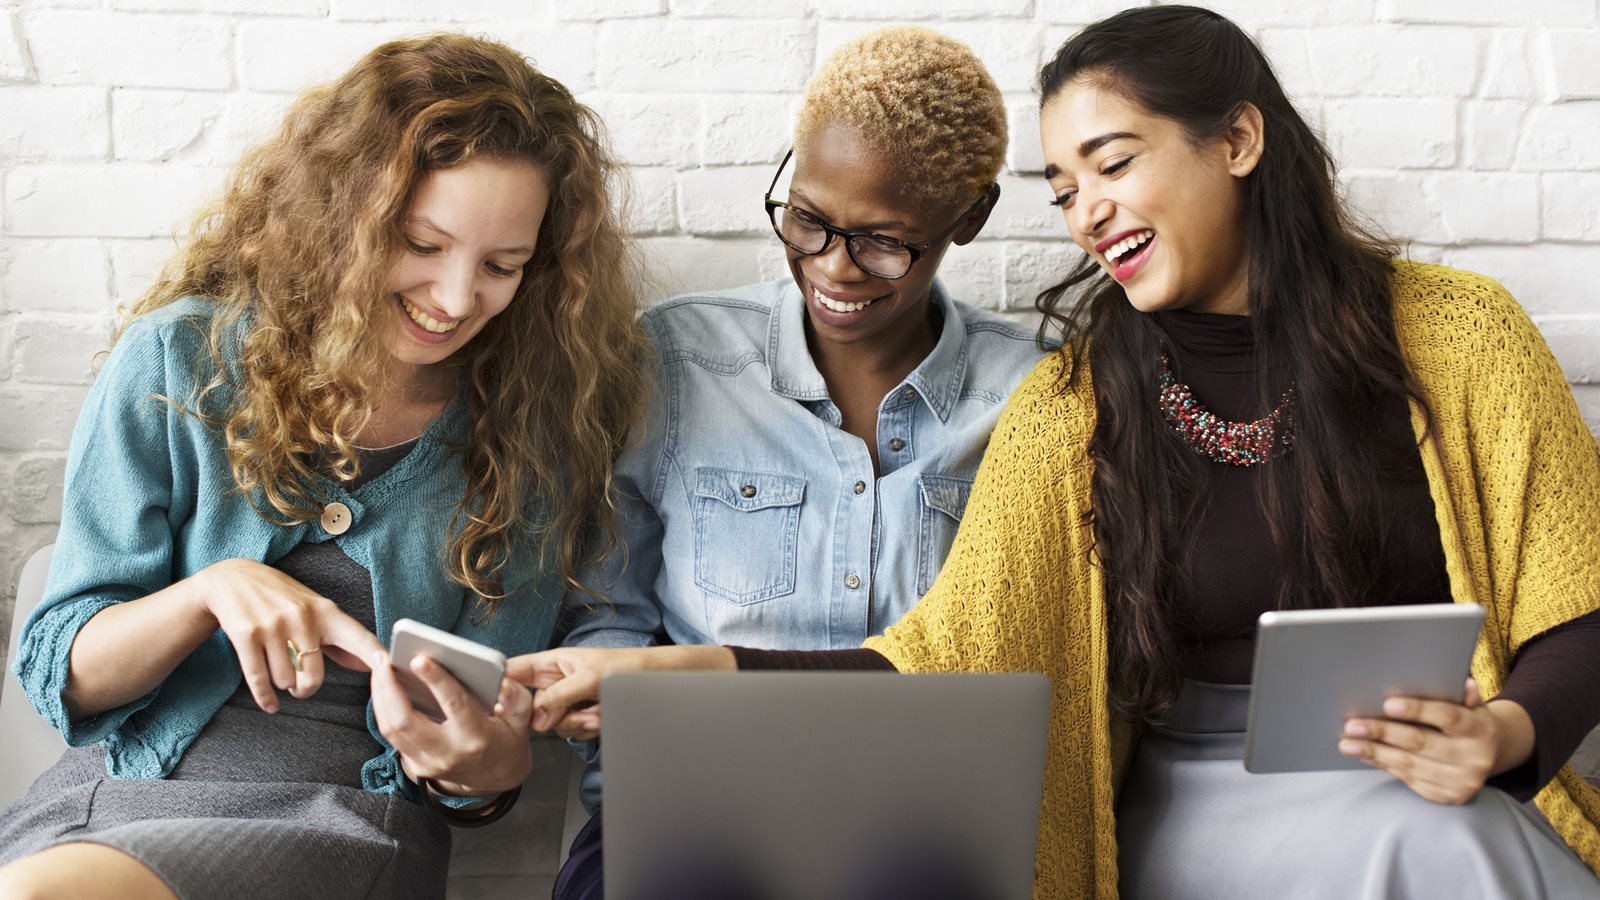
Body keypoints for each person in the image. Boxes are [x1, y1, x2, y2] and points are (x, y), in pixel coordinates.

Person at [515, 7, 1600, 899]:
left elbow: (1577, 600)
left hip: (1422, 770)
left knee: (1451, 841)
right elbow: (942, 656)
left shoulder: (1458, 333)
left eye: (1111, 165)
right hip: (1195, 796)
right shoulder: (1073, 404)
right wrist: (681, 672)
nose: (1087, 213)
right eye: (1066, 190)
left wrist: (1504, 733)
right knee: (1437, 854)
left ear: (1236, 141)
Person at [0, 34, 648, 900]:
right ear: (346, 218)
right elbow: (60, 671)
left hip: (344, 822)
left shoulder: (536, 427)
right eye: (422, 244)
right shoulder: (179, 359)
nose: (457, 300)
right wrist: (209, 593)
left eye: (502, 267)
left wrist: (486, 768)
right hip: (106, 797)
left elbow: (477, 752)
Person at [548, 26, 1048, 900]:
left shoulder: (1032, 397)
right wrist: (628, 755)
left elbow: (1032, 655)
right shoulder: (677, 361)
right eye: (809, 219)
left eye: (884, 242)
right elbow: (604, 613)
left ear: (970, 219)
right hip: (693, 809)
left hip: (929, 827)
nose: (833, 268)